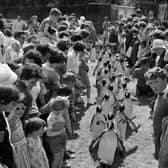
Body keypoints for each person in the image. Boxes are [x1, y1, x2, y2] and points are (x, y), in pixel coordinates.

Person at [145, 67, 168, 160]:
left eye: (156, 82)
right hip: (159, 135)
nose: (154, 86)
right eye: (151, 83)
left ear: (165, 79)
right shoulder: (160, 93)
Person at [0, 85, 21, 168]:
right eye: (13, 103)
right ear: (2, 101)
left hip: (8, 156)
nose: (15, 106)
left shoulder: (3, 112)